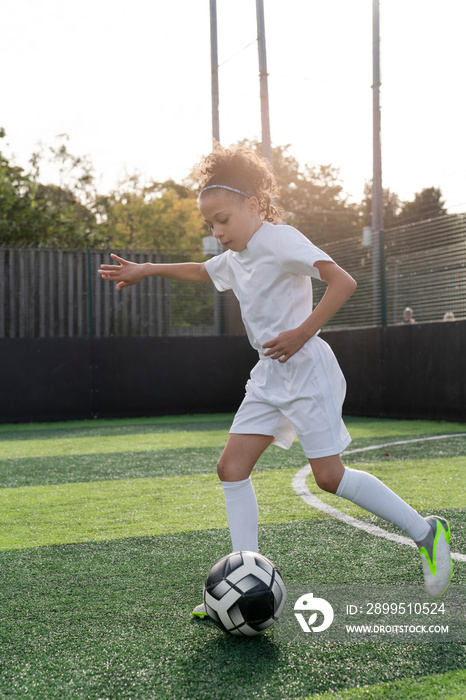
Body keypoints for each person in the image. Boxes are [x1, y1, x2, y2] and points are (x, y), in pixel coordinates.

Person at [98, 145, 453, 612]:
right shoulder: (236, 255)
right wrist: (147, 269)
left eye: (222, 219)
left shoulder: (280, 239)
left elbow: (343, 281)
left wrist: (301, 332)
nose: (217, 232)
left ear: (253, 205)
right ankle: (242, 581)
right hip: (268, 375)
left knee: (329, 477)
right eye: (210, 225)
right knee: (231, 468)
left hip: (306, 371)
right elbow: (203, 271)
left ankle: (426, 533)